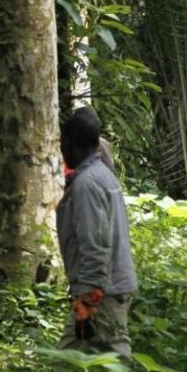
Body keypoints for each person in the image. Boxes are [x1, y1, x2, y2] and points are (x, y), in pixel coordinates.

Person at [57, 107, 137, 358]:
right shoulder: (104, 175)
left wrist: (88, 301)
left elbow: (94, 245)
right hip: (108, 287)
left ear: (69, 144)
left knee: (100, 357)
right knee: (95, 358)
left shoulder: (87, 184)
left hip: (102, 292)